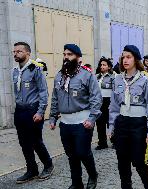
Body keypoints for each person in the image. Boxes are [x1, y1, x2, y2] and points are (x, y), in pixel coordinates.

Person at [49, 44, 102, 189]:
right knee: (71, 155)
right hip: (65, 123)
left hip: (82, 121)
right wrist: (53, 117)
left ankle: (92, 174)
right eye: (64, 54)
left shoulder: (87, 75)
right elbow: (55, 98)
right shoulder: (59, 75)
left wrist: (92, 119)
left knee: (83, 152)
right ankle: (76, 183)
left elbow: (96, 98)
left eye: (70, 54)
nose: (66, 57)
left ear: (78, 57)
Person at [108, 45, 148, 189]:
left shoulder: (145, 80)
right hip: (122, 123)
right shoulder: (117, 79)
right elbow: (114, 106)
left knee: (139, 161)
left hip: (139, 124)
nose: (125, 60)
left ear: (136, 59)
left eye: (128, 57)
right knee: (122, 161)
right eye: (123, 57)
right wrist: (111, 126)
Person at [12, 42, 54, 183]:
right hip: (20, 111)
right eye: (14, 51)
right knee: (24, 142)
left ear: (27, 53)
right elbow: (16, 92)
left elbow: (43, 92)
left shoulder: (36, 69)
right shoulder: (15, 71)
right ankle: (31, 169)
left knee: (36, 141)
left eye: (19, 51)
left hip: (33, 110)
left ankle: (48, 165)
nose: (15, 54)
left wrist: (41, 112)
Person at [95, 57, 115, 150]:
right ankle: (102, 142)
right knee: (100, 122)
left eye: (104, 65)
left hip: (109, 101)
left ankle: (114, 141)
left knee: (111, 121)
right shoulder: (97, 76)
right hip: (99, 101)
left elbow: (115, 91)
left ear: (109, 67)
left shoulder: (113, 77)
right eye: (101, 65)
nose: (102, 66)